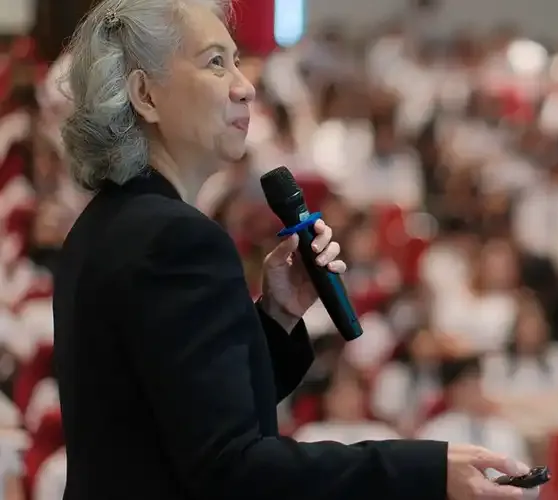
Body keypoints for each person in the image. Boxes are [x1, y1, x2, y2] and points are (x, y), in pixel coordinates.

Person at [52, 1, 530, 499]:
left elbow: (181, 420)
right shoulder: (176, 238)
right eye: (215, 62)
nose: (245, 86)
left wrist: (277, 315)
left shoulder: (104, 226)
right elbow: (231, 470)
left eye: (237, 61)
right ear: (145, 95)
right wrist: (425, 470)